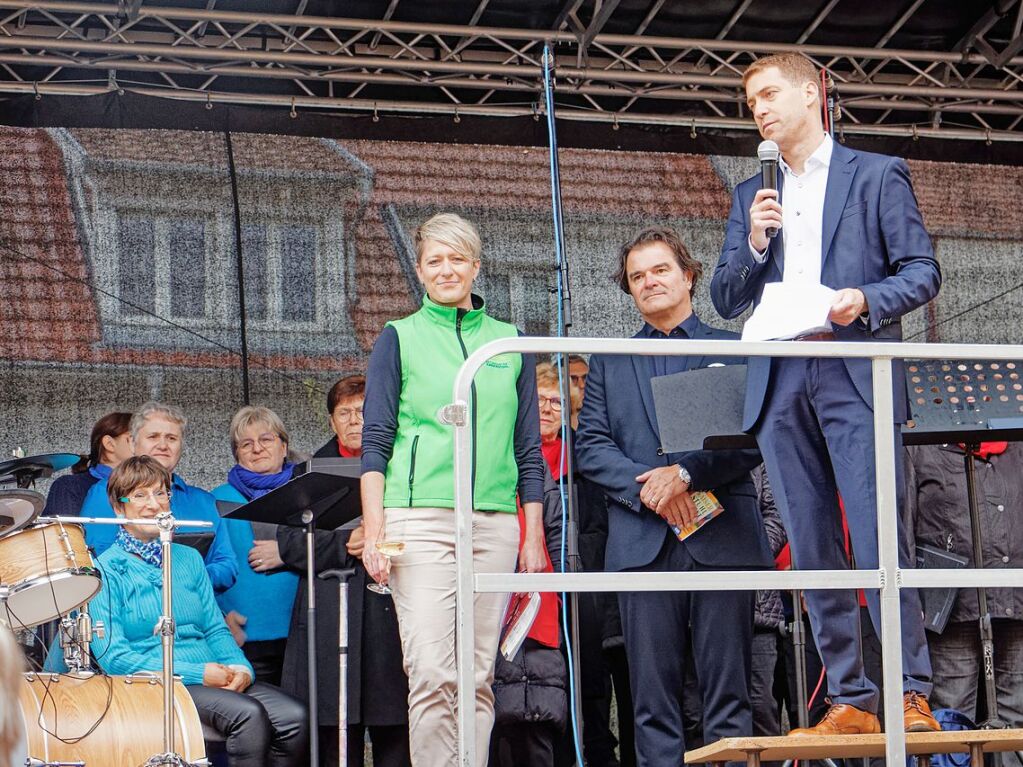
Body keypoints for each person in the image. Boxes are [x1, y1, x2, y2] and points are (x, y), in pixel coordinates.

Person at [710, 52, 941, 735]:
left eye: (769, 93)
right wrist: (753, 243)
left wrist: (861, 299)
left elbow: (922, 270)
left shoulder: (874, 174)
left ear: (811, 94)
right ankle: (850, 697)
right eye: (750, 99)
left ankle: (908, 691)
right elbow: (724, 296)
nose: (758, 108)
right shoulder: (751, 193)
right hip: (780, 375)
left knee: (876, 535)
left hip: (851, 368)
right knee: (810, 542)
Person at [576, 225, 773, 766]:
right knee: (650, 700)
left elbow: (755, 435)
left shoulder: (736, 350)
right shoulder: (609, 358)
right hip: (643, 544)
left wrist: (686, 475)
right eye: (637, 277)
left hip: (723, 539)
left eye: (660, 269)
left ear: (688, 275)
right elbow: (590, 446)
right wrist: (654, 491)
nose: (649, 282)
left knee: (729, 696)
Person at [360, 212, 547, 766]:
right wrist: (375, 531)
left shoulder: (509, 341)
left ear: (476, 266)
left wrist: (532, 534)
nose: (447, 269)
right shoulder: (399, 337)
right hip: (418, 519)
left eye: (457, 258)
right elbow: (376, 442)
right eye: (435, 260)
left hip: (494, 521)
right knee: (434, 671)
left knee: (477, 673)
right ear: (419, 271)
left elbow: (529, 450)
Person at [88, 456, 308, 767]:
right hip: (156, 683)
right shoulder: (104, 571)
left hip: (213, 674)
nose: (153, 504)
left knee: (294, 717)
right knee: (248, 715)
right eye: (140, 495)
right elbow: (114, 658)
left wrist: (240, 668)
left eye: (160, 493)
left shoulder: (189, 559)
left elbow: (215, 628)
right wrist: (198, 673)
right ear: (118, 508)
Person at [278, 373, 411, 767]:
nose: (355, 420)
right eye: (344, 413)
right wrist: (343, 544)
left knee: (397, 731)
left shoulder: (403, 465)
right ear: (332, 421)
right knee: (336, 738)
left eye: (364, 411)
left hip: (390, 619)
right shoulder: (312, 470)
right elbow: (289, 543)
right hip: (332, 620)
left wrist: (379, 538)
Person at [906, 441, 1023, 759]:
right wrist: (911, 597)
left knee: (1017, 717)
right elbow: (904, 526)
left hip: (1016, 600)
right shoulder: (920, 449)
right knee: (953, 719)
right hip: (950, 608)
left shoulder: (1015, 443)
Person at [81, 401, 237, 592]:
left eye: (171, 438)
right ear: (132, 442)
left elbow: (227, 567)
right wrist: (159, 578)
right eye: (153, 436)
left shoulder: (204, 501)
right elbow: (99, 559)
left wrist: (185, 577)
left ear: (181, 446)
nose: (163, 445)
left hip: (194, 611)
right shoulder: (105, 493)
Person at [211, 406, 301, 687]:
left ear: (284, 447)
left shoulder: (306, 492)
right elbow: (199, 567)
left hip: (303, 634)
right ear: (237, 453)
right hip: (244, 635)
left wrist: (285, 553)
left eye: (266, 440)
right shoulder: (216, 500)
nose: (257, 449)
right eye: (246, 444)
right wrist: (220, 619)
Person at [489, 466, 568, 767]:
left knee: (534, 739)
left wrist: (556, 590)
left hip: (534, 624)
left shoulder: (533, 465)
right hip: (485, 619)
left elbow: (559, 539)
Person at [44, 411, 133, 517]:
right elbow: (61, 532)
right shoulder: (69, 486)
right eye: (134, 439)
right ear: (109, 444)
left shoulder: (153, 487)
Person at [320, 374, 366, 459]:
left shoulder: (397, 463)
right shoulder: (312, 469)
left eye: (361, 412)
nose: (353, 420)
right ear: (333, 423)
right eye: (344, 413)